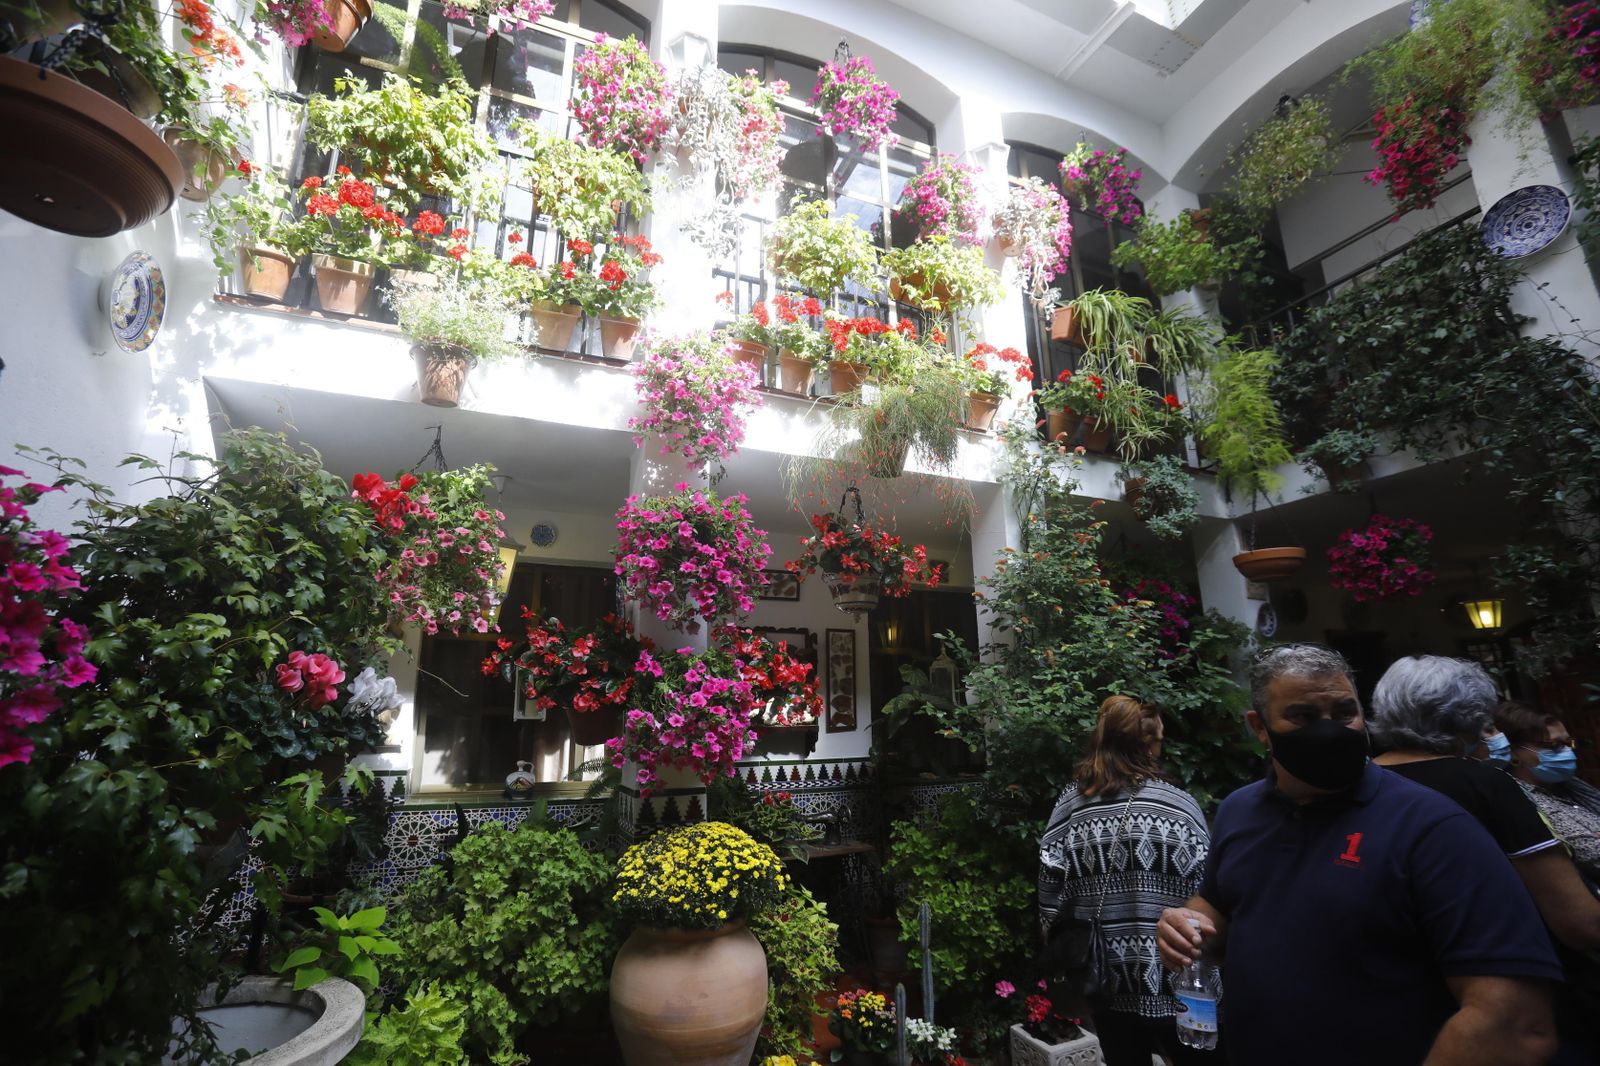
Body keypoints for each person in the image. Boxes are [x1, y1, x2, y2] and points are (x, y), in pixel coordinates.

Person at [1155, 643, 1560, 1066]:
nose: (1328, 730)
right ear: (1260, 726)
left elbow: (1513, 1022)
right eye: (1304, 717)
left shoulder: (1432, 827)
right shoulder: (1241, 811)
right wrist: (1189, 926)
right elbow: (1220, 903)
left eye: (1344, 713)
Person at [1370, 656, 1600, 952]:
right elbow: (1578, 919)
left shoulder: (1366, 782)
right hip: (1494, 954)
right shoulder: (1486, 785)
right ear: (1470, 716)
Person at [1038, 696, 1212, 1066]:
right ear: (1147, 744)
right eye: (1160, 739)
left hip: (1103, 978)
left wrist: (1061, 941)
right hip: (1176, 979)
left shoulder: (1072, 804)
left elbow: (1048, 887)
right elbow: (1211, 888)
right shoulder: (1179, 806)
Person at [1495, 700, 1600, 885]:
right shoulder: (1520, 799)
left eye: (1569, 743)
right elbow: (1591, 853)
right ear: (1512, 752)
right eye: (1553, 746)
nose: (1568, 752)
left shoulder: (1570, 786)